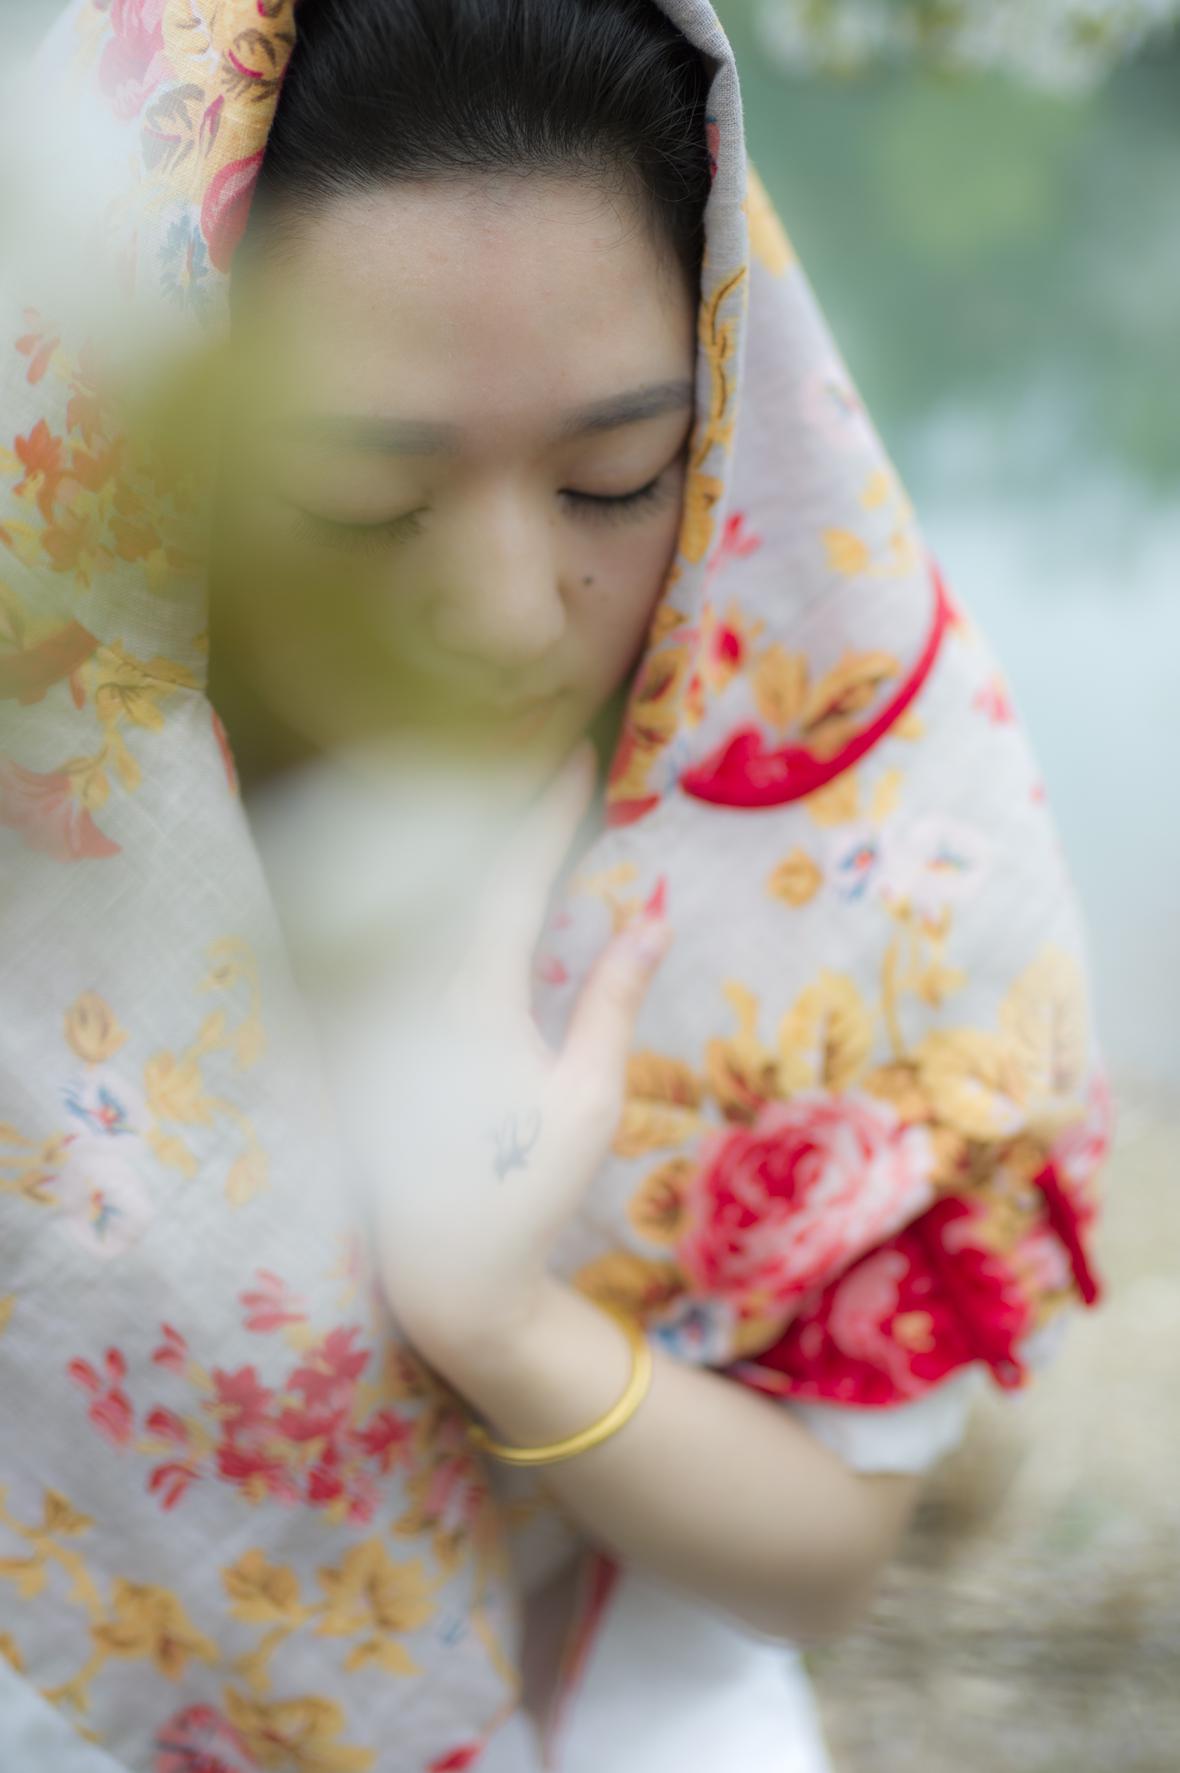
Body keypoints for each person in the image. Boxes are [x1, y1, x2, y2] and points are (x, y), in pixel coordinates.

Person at [0, 1, 1109, 1769]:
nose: (517, 614)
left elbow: (822, 1560)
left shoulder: (839, 814)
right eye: (363, 499)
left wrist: (500, 1320)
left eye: (617, 477)